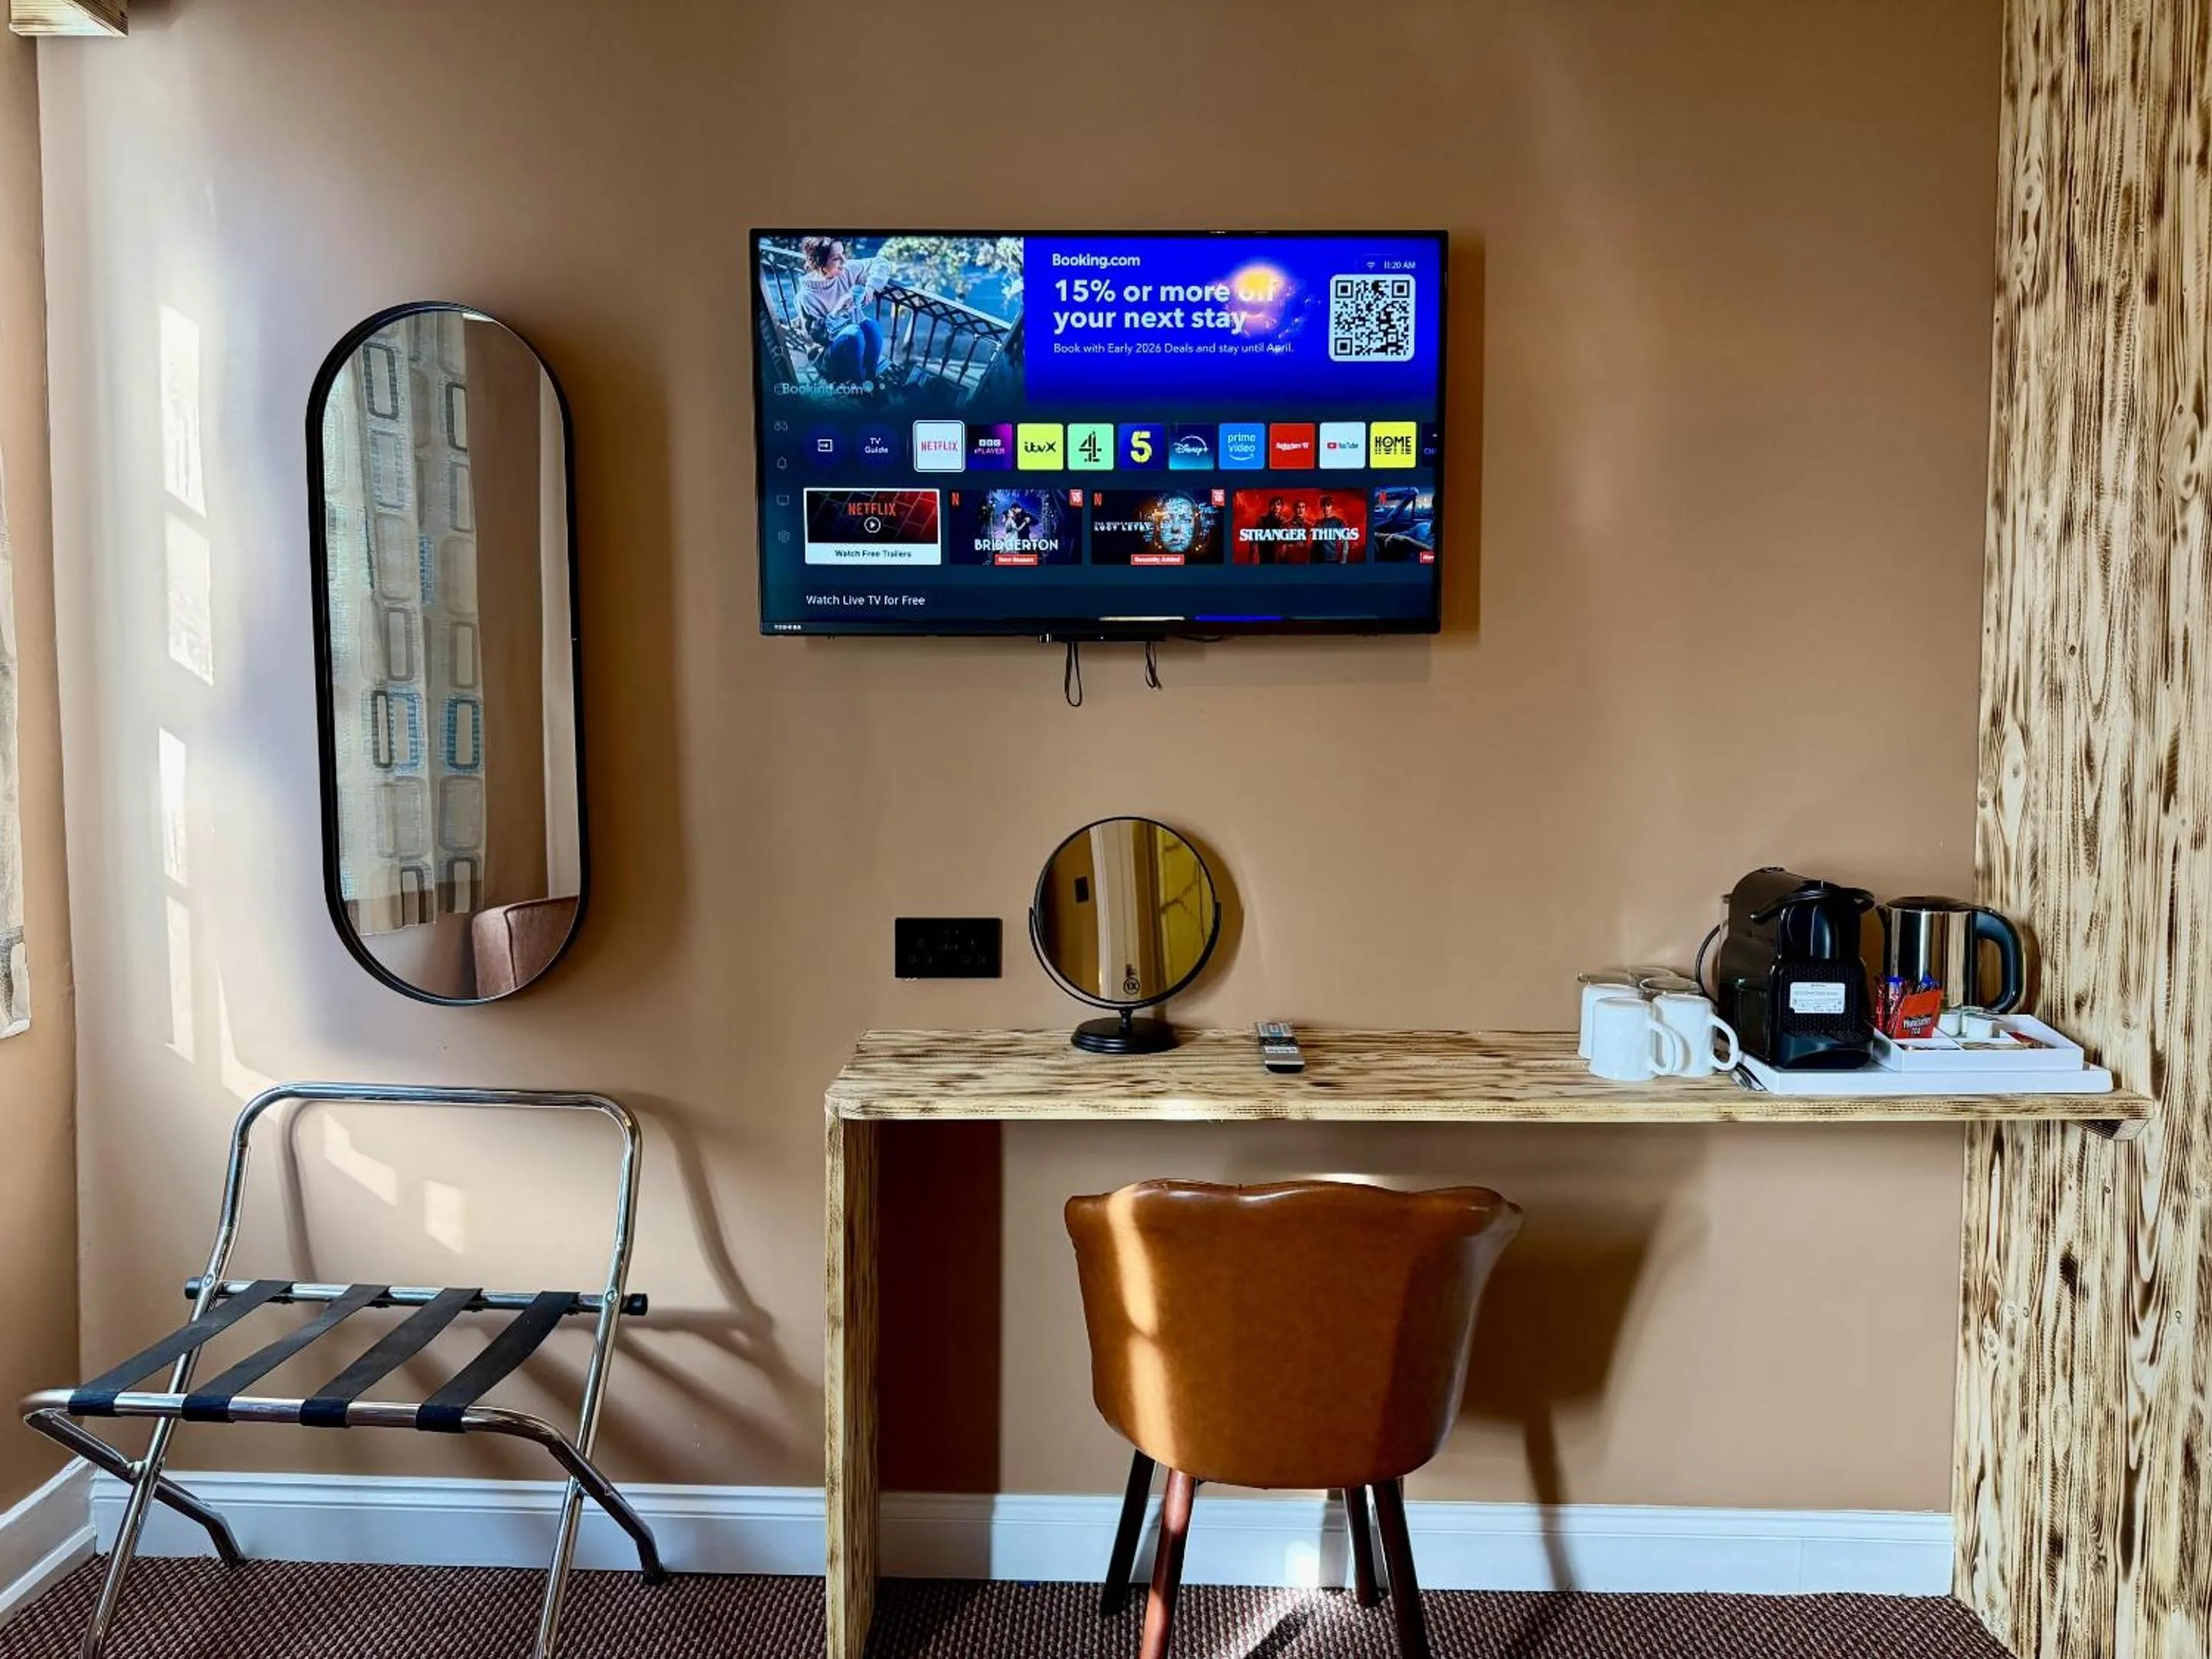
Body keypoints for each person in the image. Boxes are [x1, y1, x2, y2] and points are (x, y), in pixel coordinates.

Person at [798, 236, 885, 385]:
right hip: (826, 355)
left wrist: (871, 288)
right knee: (854, 332)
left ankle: (870, 378)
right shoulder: (806, 297)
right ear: (820, 262)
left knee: (871, 326)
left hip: (854, 347)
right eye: (836, 258)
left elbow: (881, 262)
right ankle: (858, 384)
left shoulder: (846, 270)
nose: (844, 261)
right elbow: (820, 339)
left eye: (843, 254)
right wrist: (837, 311)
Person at [1314, 494, 1352, 563]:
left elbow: (1345, 542)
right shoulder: (1318, 523)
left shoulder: (1339, 522)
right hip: (1318, 560)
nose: (1325, 508)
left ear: (1332, 506)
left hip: (1333, 560)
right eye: (1323, 506)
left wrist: (1343, 560)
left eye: (1328, 505)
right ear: (1321, 507)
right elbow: (1314, 544)